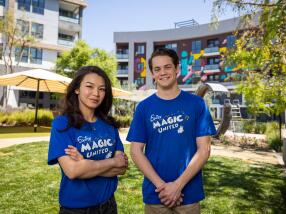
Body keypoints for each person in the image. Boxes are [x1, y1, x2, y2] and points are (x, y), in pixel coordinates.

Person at [127, 48, 216, 214]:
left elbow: (204, 150)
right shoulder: (143, 108)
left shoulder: (197, 104)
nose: (163, 73)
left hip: (188, 196)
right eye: (157, 69)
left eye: (167, 67)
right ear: (153, 74)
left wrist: (177, 185)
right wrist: (163, 187)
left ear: (177, 69)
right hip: (156, 195)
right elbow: (136, 151)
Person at [48, 66, 128, 214]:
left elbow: (121, 167)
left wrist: (86, 163)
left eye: (102, 89)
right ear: (77, 89)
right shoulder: (62, 124)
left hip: (109, 206)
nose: (96, 93)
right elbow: (72, 171)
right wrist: (112, 162)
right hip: (76, 209)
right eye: (89, 86)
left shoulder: (109, 125)